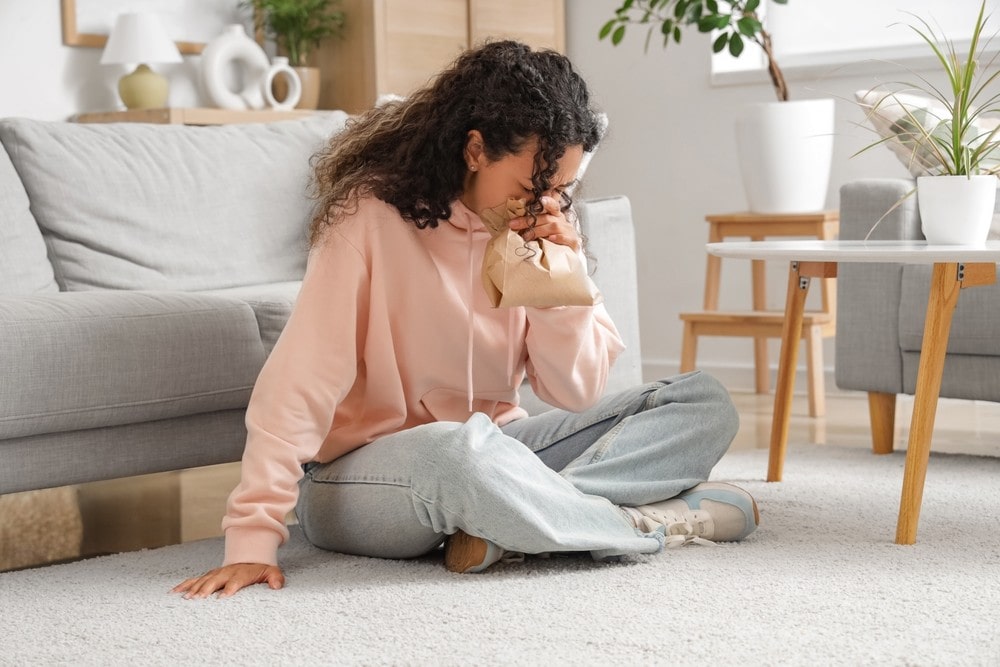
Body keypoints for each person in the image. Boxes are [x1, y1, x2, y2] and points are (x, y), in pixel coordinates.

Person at [173, 40, 757, 600]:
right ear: (475, 150)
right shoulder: (368, 218)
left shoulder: (537, 232)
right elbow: (300, 381)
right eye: (532, 185)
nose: (545, 203)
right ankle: (637, 524)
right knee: (458, 453)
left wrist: (562, 281)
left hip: (495, 453)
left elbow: (575, 392)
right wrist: (251, 538)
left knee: (701, 402)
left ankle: (510, 524)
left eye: (562, 189)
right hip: (362, 479)